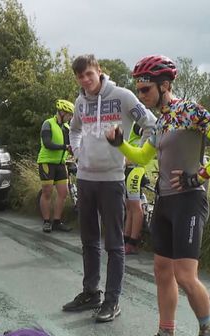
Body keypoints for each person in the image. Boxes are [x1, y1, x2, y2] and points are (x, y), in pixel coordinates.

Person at [106, 55, 210, 336]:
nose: (141, 96)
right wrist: (119, 144)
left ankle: (207, 333)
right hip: (164, 201)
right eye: (138, 90)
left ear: (165, 85)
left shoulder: (189, 111)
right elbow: (141, 157)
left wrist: (201, 176)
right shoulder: (161, 120)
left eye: (145, 90)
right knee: (162, 270)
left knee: (184, 274)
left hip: (189, 201)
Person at [61, 55, 157, 322]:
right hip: (86, 178)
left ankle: (112, 301)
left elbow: (152, 125)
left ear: (99, 71)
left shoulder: (123, 96)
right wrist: (79, 152)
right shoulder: (80, 102)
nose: (85, 80)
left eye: (89, 74)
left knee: (114, 244)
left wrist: (133, 154)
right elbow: (74, 130)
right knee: (88, 241)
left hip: (112, 180)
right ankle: (91, 292)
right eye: (80, 77)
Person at [38, 99, 75, 233]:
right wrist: (65, 147)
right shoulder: (48, 124)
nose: (70, 117)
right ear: (62, 112)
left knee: (63, 193)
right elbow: (47, 143)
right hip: (47, 162)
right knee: (47, 192)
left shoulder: (67, 128)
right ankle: (47, 221)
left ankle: (57, 221)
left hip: (61, 163)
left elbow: (72, 144)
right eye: (69, 114)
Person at [123, 123, 148, 255]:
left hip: (135, 170)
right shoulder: (135, 123)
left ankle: (130, 241)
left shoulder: (137, 123)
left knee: (134, 208)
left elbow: (147, 131)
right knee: (131, 208)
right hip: (131, 169)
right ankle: (128, 241)